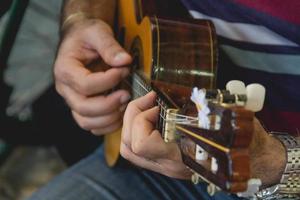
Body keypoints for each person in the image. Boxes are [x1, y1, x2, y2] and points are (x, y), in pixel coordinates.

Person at [28, 0, 300, 199]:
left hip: (275, 169)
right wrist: (81, 19)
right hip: (158, 154)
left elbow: (269, 164)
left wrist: (274, 163)